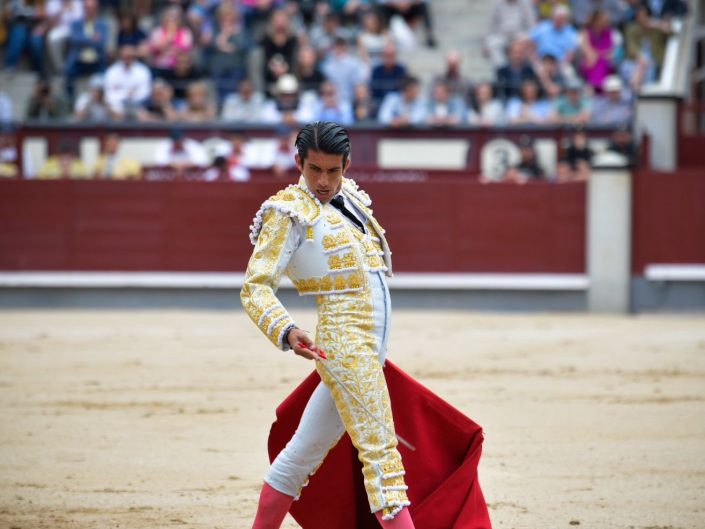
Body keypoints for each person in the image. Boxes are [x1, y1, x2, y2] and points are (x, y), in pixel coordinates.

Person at [241, 121, 416, 529]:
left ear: (347, 165)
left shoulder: (351, 197)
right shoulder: (287, 211)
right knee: (382, 456)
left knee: (301, 453)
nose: (322, 181)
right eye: (313, 169)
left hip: (368, 346)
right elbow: (256, 287)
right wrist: (285, 330)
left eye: (332, 171)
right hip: (345, 342)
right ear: (298, 162)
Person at [484, 0, 536, 68]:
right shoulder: (497, 3)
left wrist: (529, 38)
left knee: (530, 41)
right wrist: (485, 44)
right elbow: (490, 26)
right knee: (492, 43)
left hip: (520, 34)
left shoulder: (525, 3)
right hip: (502, 35)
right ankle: (502, 69)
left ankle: (526, 70)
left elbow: (531, 24)